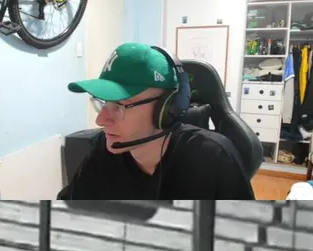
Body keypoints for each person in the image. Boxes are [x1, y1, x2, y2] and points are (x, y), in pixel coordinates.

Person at [59, 43, 255, 200]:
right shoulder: (103, 151)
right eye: (102, 103)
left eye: (119, 106)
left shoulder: (213, 157)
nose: (100, 120)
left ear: (166, 108)